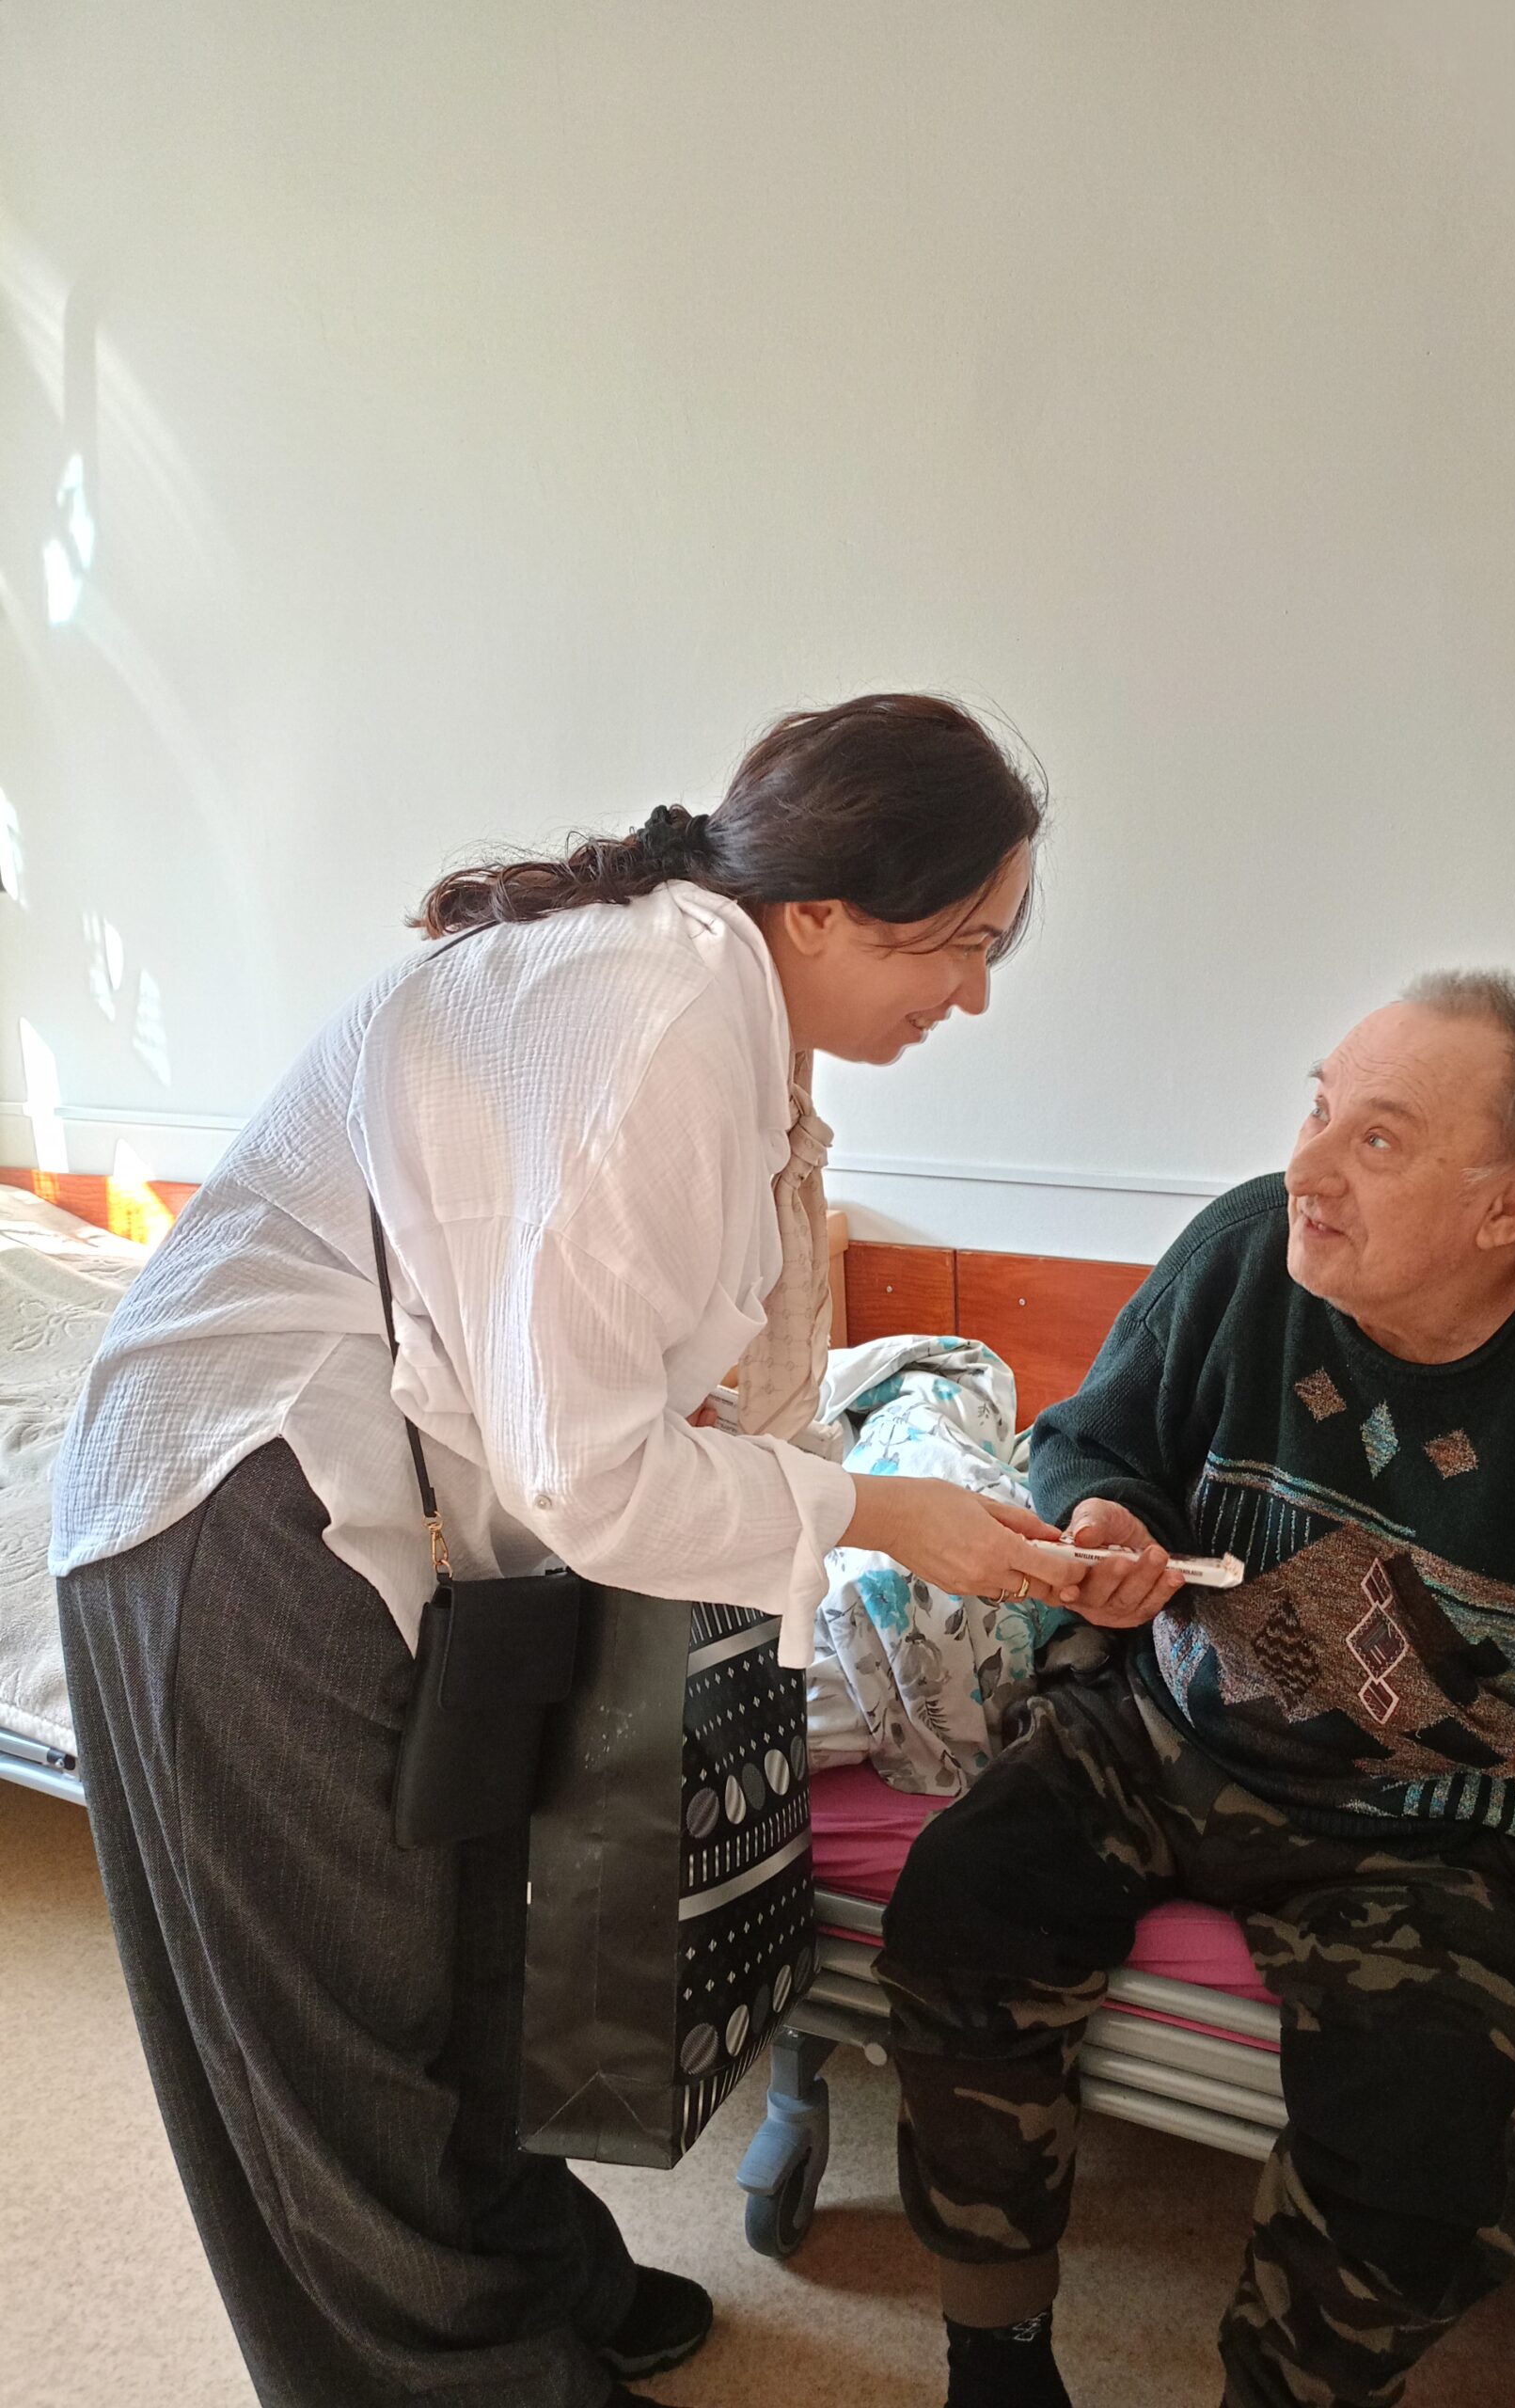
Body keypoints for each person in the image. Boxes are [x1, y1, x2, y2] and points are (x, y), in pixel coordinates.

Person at [51, 692, 1082, 2408]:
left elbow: (637, 1387)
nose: (972, 992)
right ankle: (461, 2374)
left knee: (465, 1962)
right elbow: (592, 1472)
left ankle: (533, 2281)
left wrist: (828, 1482)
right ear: (826, 909)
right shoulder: (654, 1014)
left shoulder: (722, 1016)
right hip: (238, 1498)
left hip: (415, 1513)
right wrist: (877, 1512)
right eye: (964, 942)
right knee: (340, 2031)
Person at [876, 969, 1515, 2408]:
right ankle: (994, 2355)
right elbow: (1089, 1442)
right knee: (961, 1900)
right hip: (1174, 1725)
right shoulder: (1245, 1252)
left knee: (1431, 2139)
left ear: (1514, 1201)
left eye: (1377, 1140)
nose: (1306, 1169)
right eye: (1318, 1109)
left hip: (1430, 1825)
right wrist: (1108, 1519)